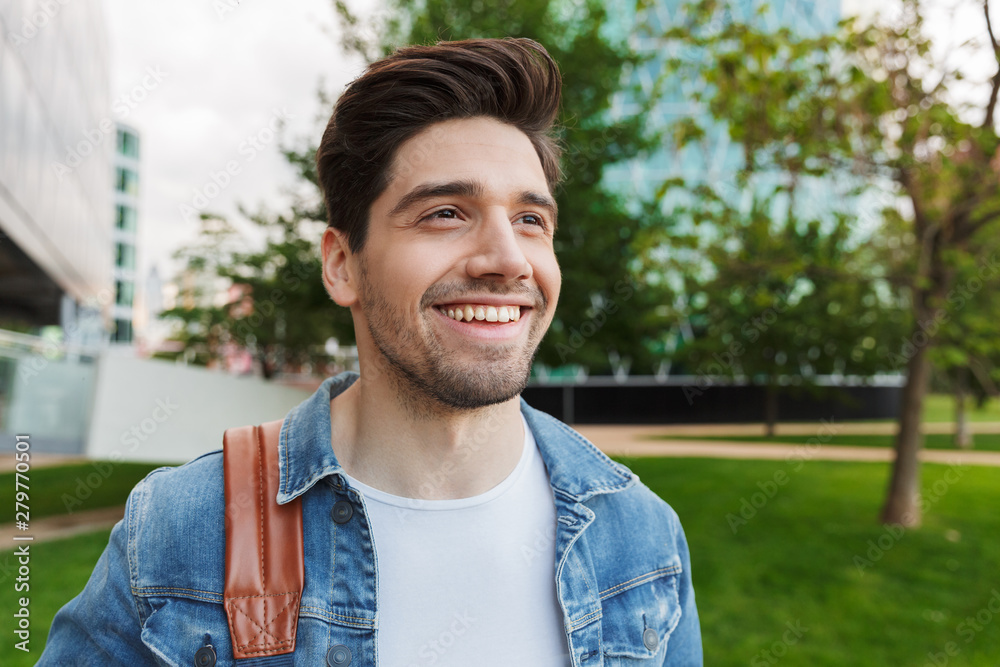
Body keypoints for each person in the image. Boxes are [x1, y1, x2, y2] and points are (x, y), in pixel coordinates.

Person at [39, 38, 702, 666]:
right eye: (445, 212)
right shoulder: (182, 530)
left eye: (531, 219)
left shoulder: (639, 539)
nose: (508, 259)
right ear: (341, 265)